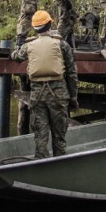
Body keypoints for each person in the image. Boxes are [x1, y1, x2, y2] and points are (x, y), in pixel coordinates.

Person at [10, 10, 79, 158]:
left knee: (40, 136)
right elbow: (72, 73)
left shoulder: (29, 46)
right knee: (59, 135)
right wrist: (73, 97)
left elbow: (15, 56)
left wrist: (16, 47)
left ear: (35, 28)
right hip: (59, 94)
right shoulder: (62, 45)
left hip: (37, 94)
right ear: (49, 24)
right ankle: (59, 164)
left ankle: (40, 163)